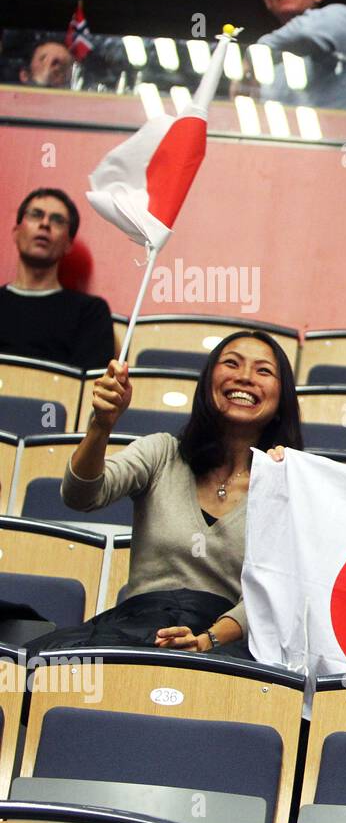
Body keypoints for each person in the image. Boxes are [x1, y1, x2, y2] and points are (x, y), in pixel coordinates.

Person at [26, 332, 303, 654]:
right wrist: (101, 425)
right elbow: (80, 496)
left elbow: (271, 592)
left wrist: (208, 639)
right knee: (36, 669)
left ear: (282, 398)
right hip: (135, 626)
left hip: (225, 641)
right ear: (208, 380)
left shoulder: (283, 487)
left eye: (263, 371)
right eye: (231, 363)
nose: (244, 377)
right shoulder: (161, 453)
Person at [3, 188, 113, 369]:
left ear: (69, 243)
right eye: (36, 215)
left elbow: (88, 387)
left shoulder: (90, 312)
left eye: (57, 220)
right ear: (16, 232)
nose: (45, 224)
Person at [254, 0, 346, 111]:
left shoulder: (344, 19)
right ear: (267, 0)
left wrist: (254, 53)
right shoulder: (270, 70)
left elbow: (304, 32)